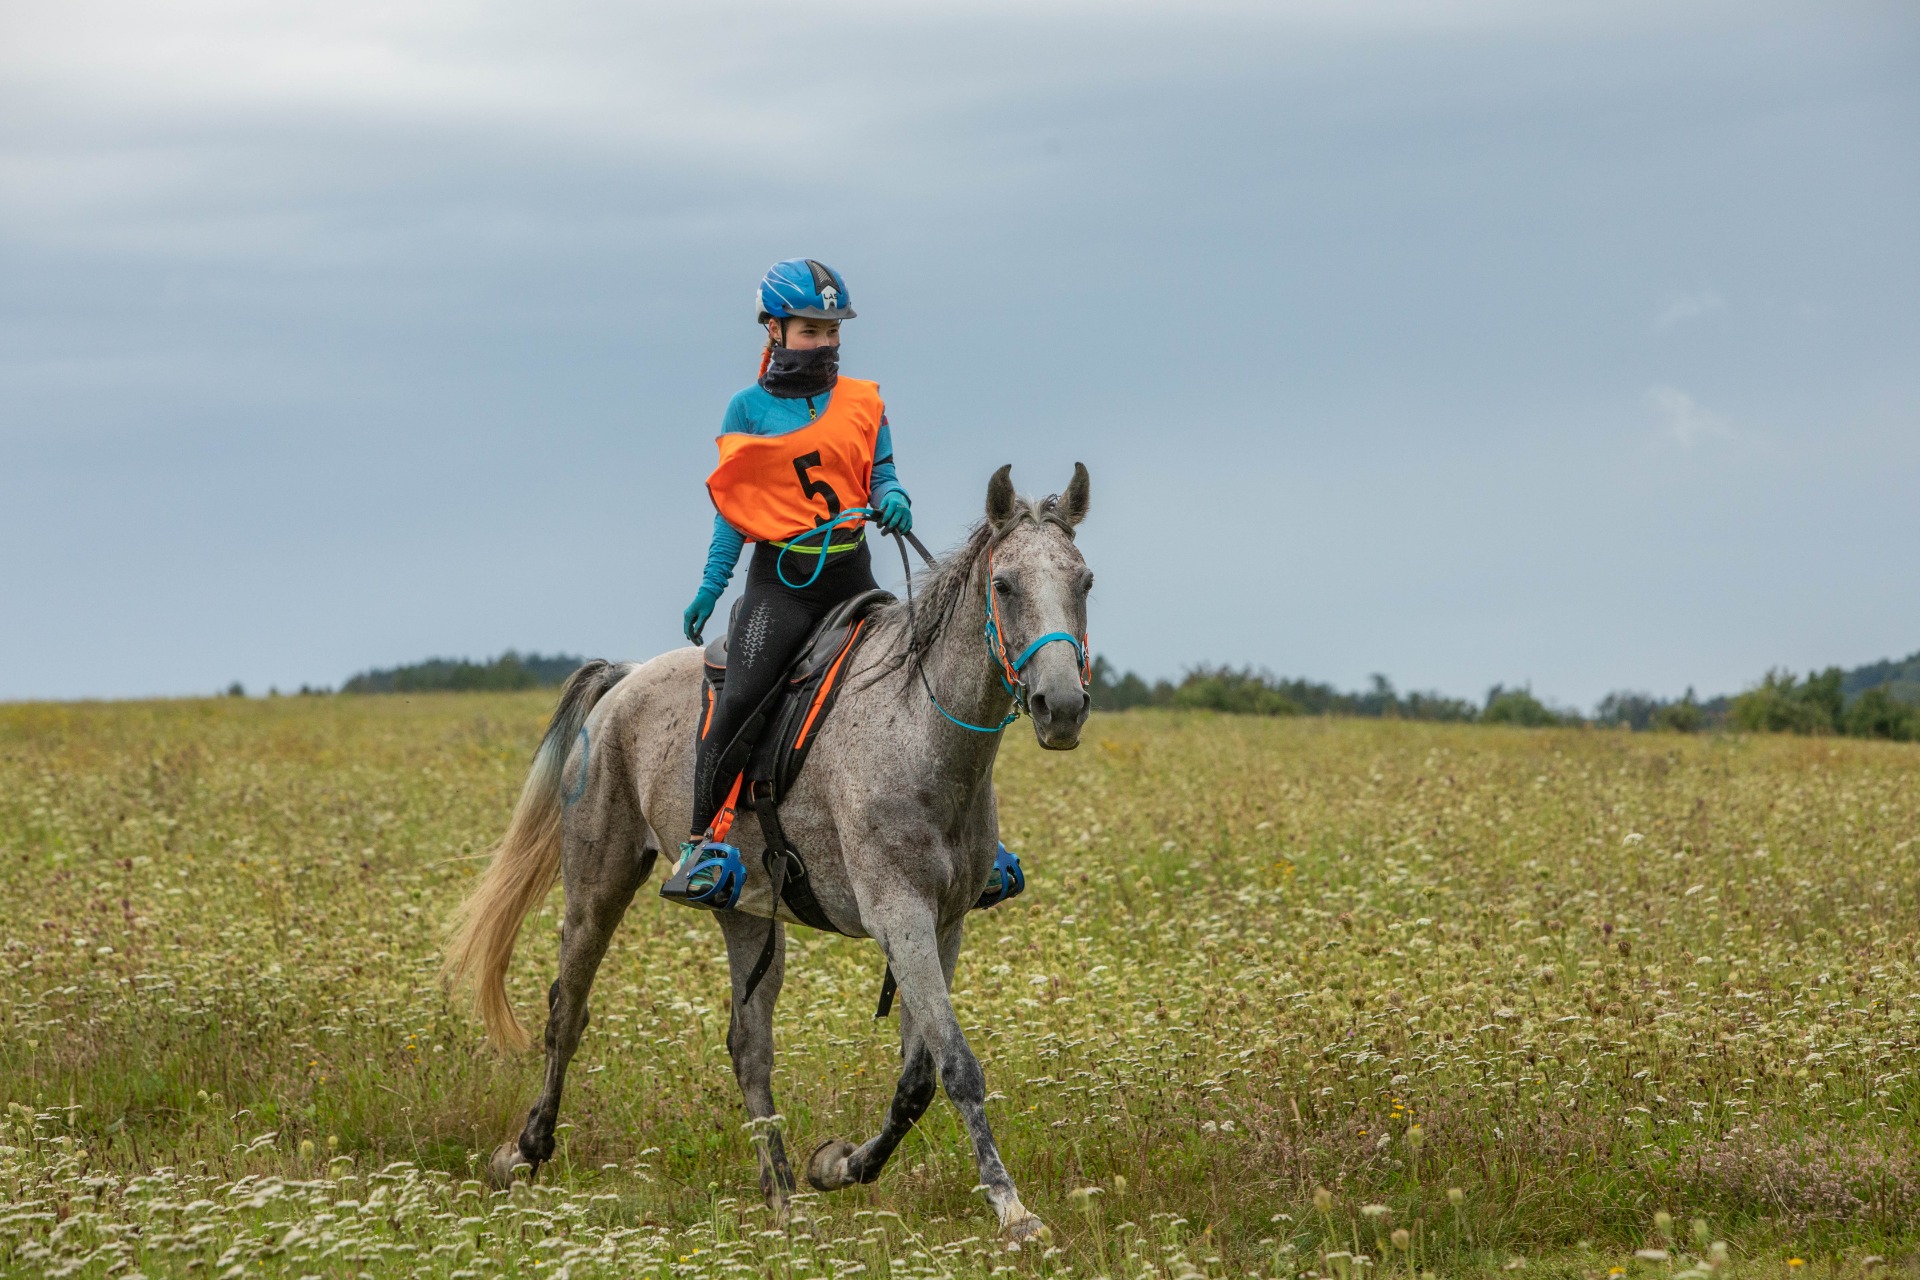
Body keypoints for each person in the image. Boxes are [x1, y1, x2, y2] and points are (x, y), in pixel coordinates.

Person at [661, 258, 913, 910]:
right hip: (784, 585)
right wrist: (712, 588)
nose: (825, 341)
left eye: (832, 330)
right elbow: (734, 515)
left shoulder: (864, 401)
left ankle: (966, 842)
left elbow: (881, 474)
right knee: (742, 697)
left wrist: (893, 496)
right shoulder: (746, 409)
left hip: (853, 575)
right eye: (810, 329)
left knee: (926, 672)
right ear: (773, 328)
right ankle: (700, 847)